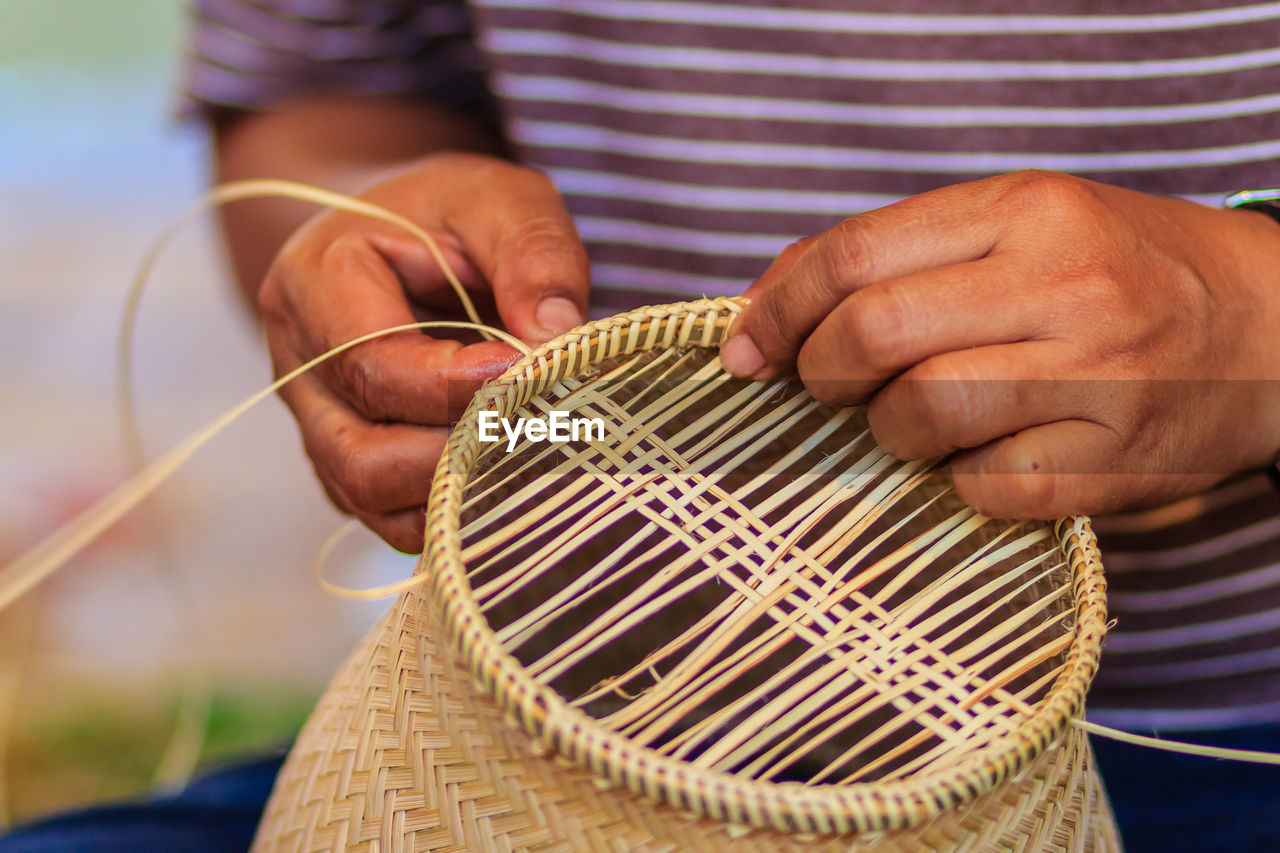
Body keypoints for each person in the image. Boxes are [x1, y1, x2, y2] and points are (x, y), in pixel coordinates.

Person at [5, 0, 1280, 849]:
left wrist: (1252, 316)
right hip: (520, 739)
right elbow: (333, 95)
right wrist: (367, 256)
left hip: (1229, 742)